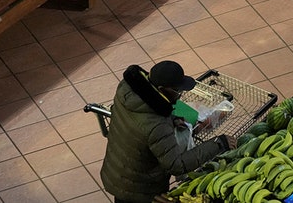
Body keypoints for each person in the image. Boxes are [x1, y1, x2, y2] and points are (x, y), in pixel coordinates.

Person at [101, 61, 236, 203]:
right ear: (161, 89)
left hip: (119, 168)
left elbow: (147, 113)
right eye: (177, 90)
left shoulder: (128, 89)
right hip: (139, 186)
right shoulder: (156, 125)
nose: (180, 94)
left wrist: (172, 117)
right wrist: (219, 143)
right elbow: (176, 164)